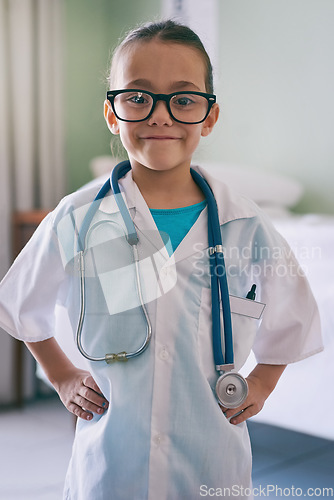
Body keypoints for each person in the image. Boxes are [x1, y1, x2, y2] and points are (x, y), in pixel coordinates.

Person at [0, 20, 322, 500]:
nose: (160, 115)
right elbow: (20, 304)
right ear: (112, 113)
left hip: (211, 466)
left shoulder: (244, 224)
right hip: (110, 467)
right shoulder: (81, 216)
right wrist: (63, 375)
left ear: (209, 118)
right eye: (137, 97)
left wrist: (263, 381)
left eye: (185, 99)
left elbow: (296, 317)